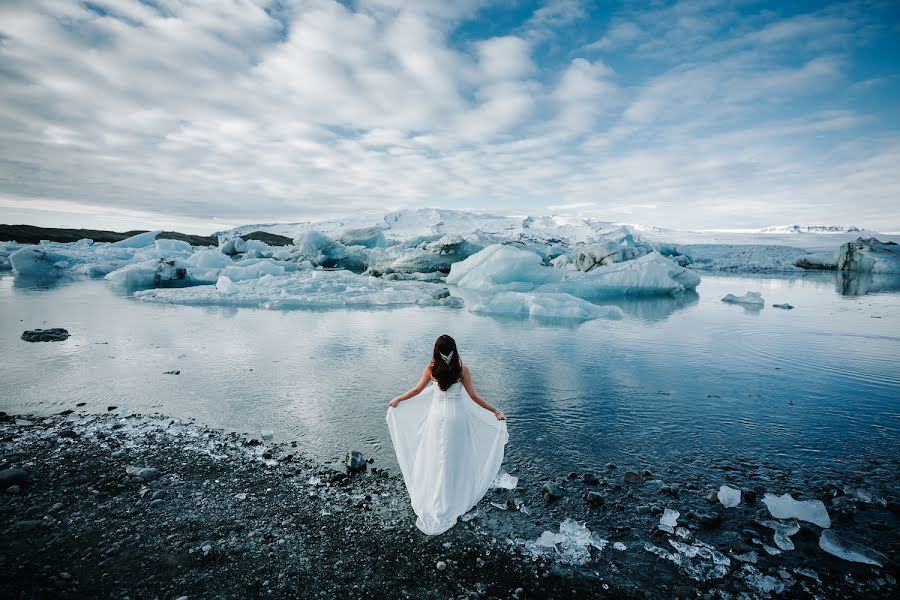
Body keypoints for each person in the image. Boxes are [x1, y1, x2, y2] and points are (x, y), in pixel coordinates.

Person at [386, 334, 508, 535]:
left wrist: (398, 399)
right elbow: (475, 397)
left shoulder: (431, 369)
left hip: (436, 419)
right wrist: (495, 411)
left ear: (436, 350)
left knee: (436, 458)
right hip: (457, 420)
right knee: (455, 458)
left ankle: (434, 495)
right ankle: (453, 496)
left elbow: (417, 390)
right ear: (454, 349)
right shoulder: (462, 370)